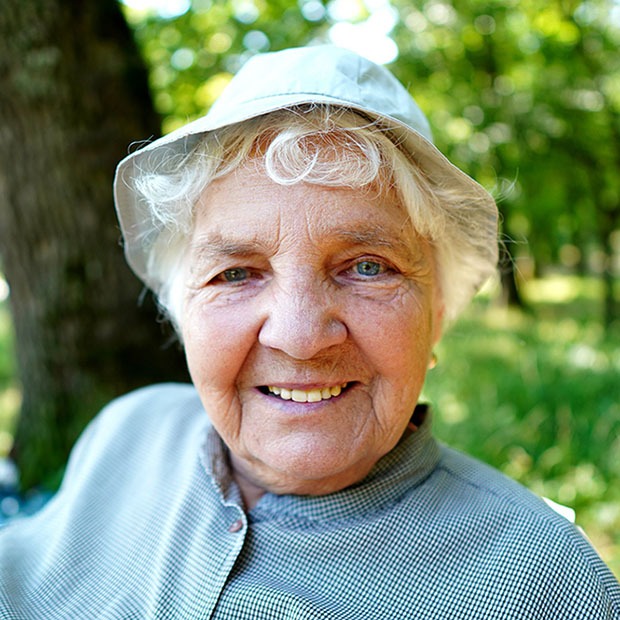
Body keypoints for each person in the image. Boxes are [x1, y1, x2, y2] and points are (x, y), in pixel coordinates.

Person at [0, 44, 618, 619]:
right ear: (182, 308)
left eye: (368, 267)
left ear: (439, 311)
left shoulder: (540, 581)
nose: (299, 336)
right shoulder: (130, 429)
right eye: (236, 272)